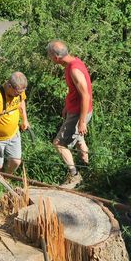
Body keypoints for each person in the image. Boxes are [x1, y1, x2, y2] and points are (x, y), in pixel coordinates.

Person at [47, 40, 93, 189]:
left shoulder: (74, 69)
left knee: (59, 144)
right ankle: (90, 171)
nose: (49, 58)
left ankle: (74, 176)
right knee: (79, 140)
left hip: (79, 114)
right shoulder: (72, 62)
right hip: (75, 111)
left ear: (55, 57)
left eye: (49, 55)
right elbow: (75, 91)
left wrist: (81, 121)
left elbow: (85, 95)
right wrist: (67, 106)